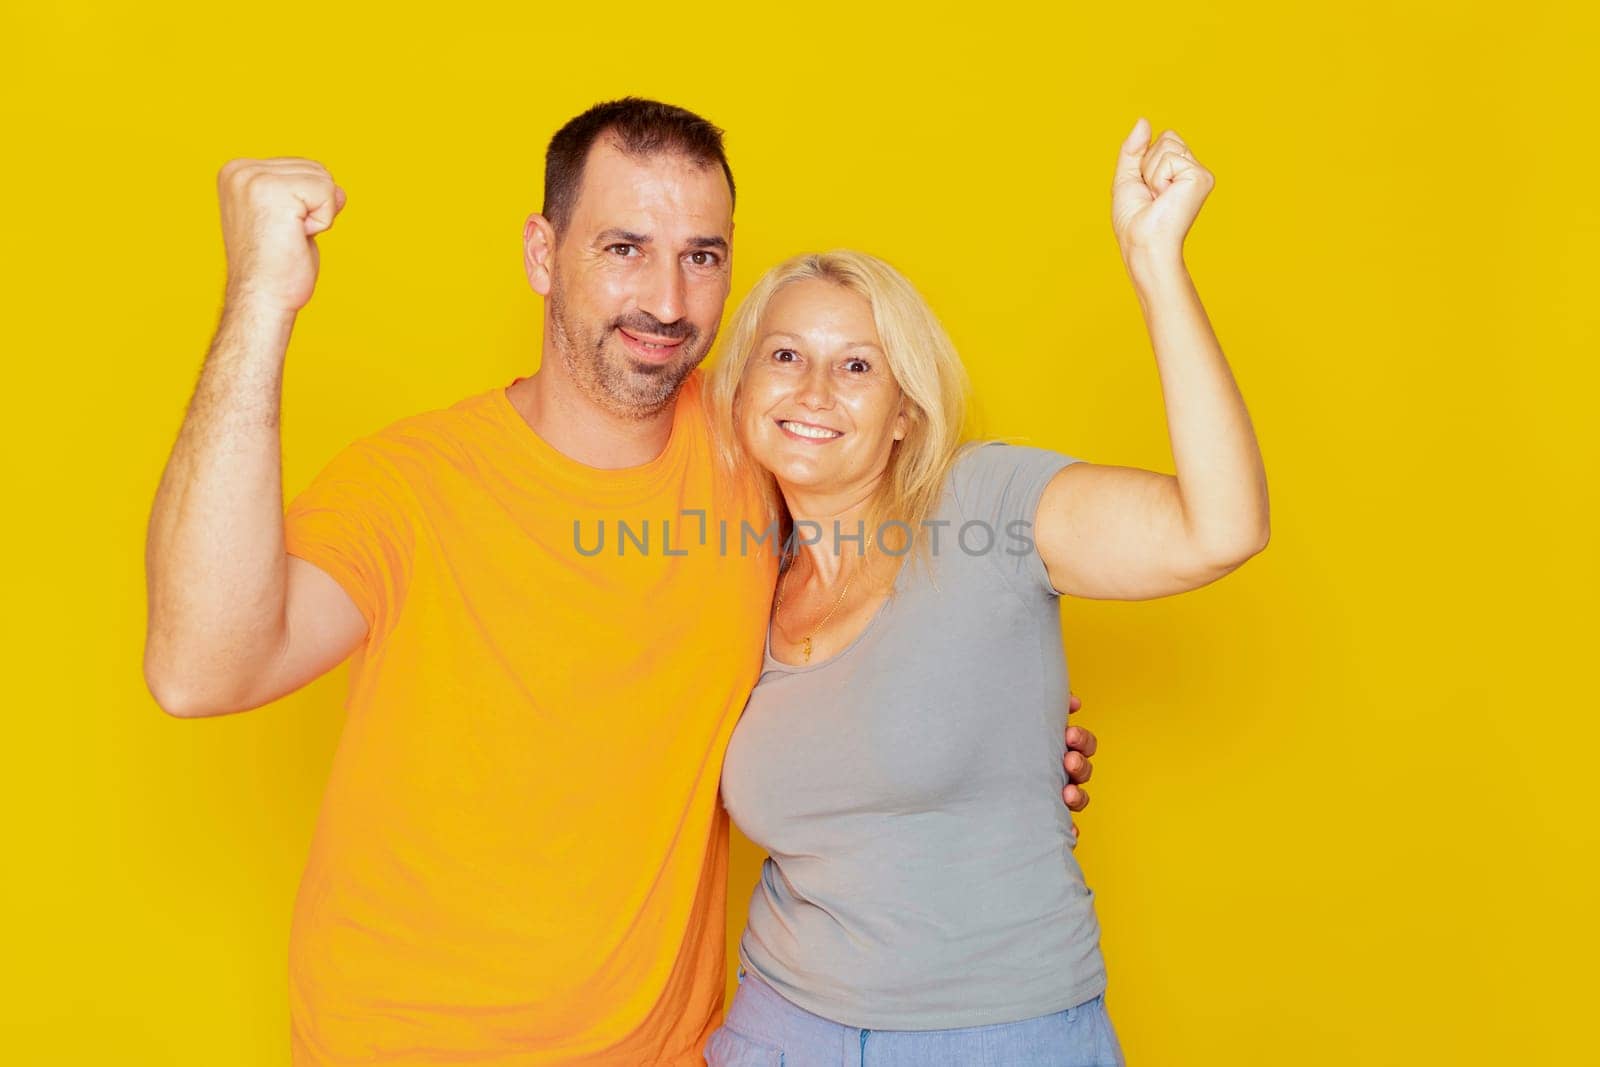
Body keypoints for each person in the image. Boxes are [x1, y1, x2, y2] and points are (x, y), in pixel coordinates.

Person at [141, 98, 1098, 1065]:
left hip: (666, 1051)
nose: (669, 302)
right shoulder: (411, 485)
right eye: (625, 248)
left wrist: (993, 735)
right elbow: (200, 671)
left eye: (702, 256)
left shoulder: (756, 454)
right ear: (541, 254)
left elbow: (891, 594)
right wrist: (260, 303)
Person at [701, 122, 1268, 1065]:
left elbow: (1220, 528)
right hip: (778, 1029)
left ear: (903, 415)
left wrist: (1154, 262)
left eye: (857, 366)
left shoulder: (986, 505)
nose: (814, 390)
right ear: (743, 383)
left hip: (999, 1036)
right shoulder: (736, 570)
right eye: (785, 354)